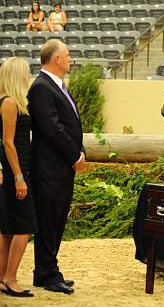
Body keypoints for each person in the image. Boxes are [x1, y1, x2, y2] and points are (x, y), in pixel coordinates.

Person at [28, 39, 85, 294]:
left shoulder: (56, 86)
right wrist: (74, 154)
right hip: (49, 170)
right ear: (57, 59)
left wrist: (79, 150)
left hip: (61, 168)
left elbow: (69, 125)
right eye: (68, 54)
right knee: (49, 223)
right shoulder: (41, 87)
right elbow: (52, 129)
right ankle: (48, 274)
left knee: (56, 221)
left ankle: (45, 271)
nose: (71, 58)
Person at [0, 57, 36, 298]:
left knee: (8, 229)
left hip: (17, 170)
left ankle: (3, 277)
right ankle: (11, 279)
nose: (28, 76)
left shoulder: (11, 101)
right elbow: (8, 142)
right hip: (17, 171)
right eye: (26, 72)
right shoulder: (10, 103)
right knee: (25, 227)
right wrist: (18, 177)